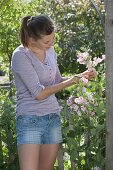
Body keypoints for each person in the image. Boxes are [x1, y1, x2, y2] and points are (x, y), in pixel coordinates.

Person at [11, 15, 96, 170]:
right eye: (46, 41)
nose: (51, 44)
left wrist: (82, 76)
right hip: (30, 120)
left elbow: (57, 81)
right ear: (31, 39)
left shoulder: (50, 51)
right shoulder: (20, 55)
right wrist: (72, 81)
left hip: (52, 118)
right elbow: (39, 93)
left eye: (53, 39)